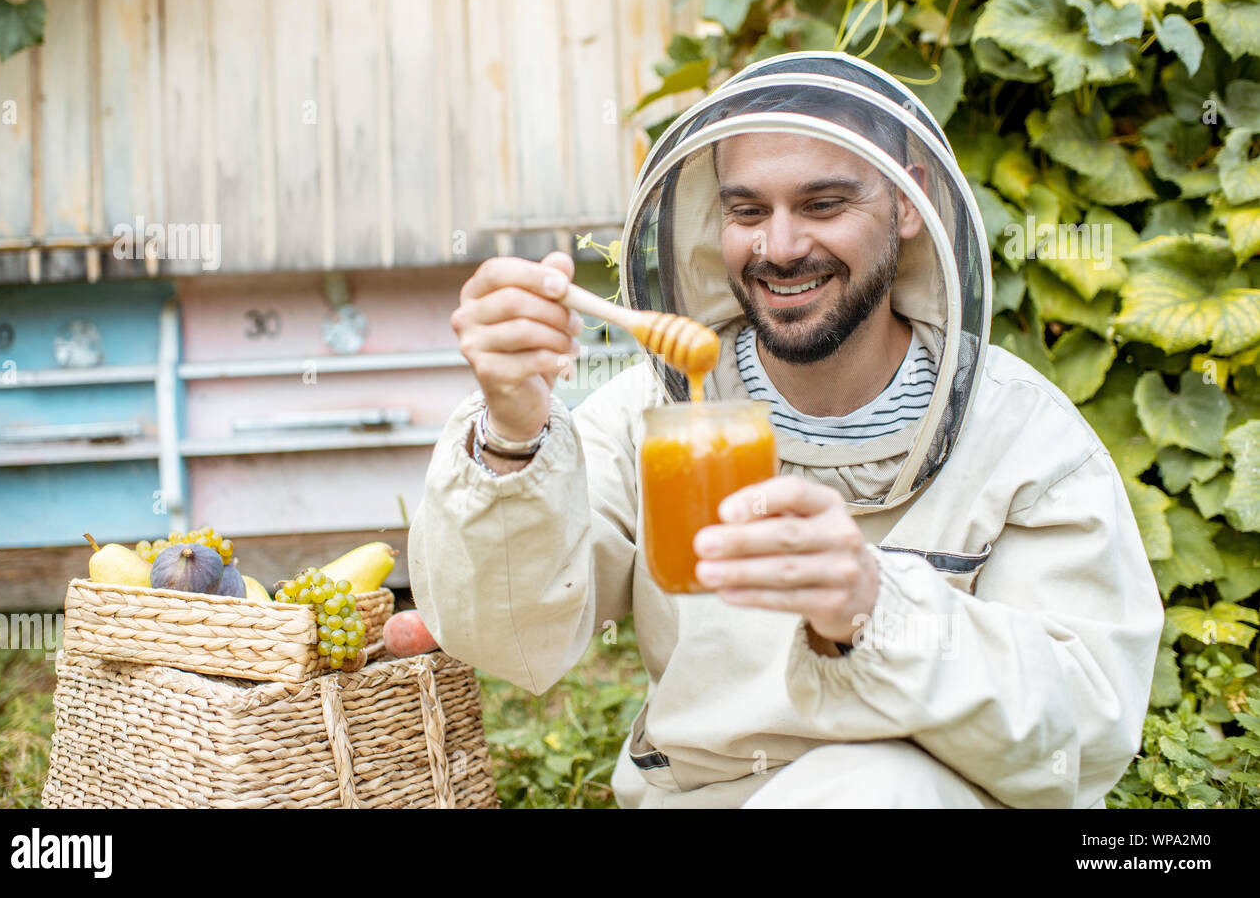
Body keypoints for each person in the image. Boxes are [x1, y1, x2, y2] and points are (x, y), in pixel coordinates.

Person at [408, 52, 1164, 808]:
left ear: (909, 201)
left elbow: (1087, 729)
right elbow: (510, 636)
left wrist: (877, 605)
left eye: (823, 204)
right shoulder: (648, 418)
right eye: (747, 212)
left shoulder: (1021, 435)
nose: (778, 247)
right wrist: (511, 429)